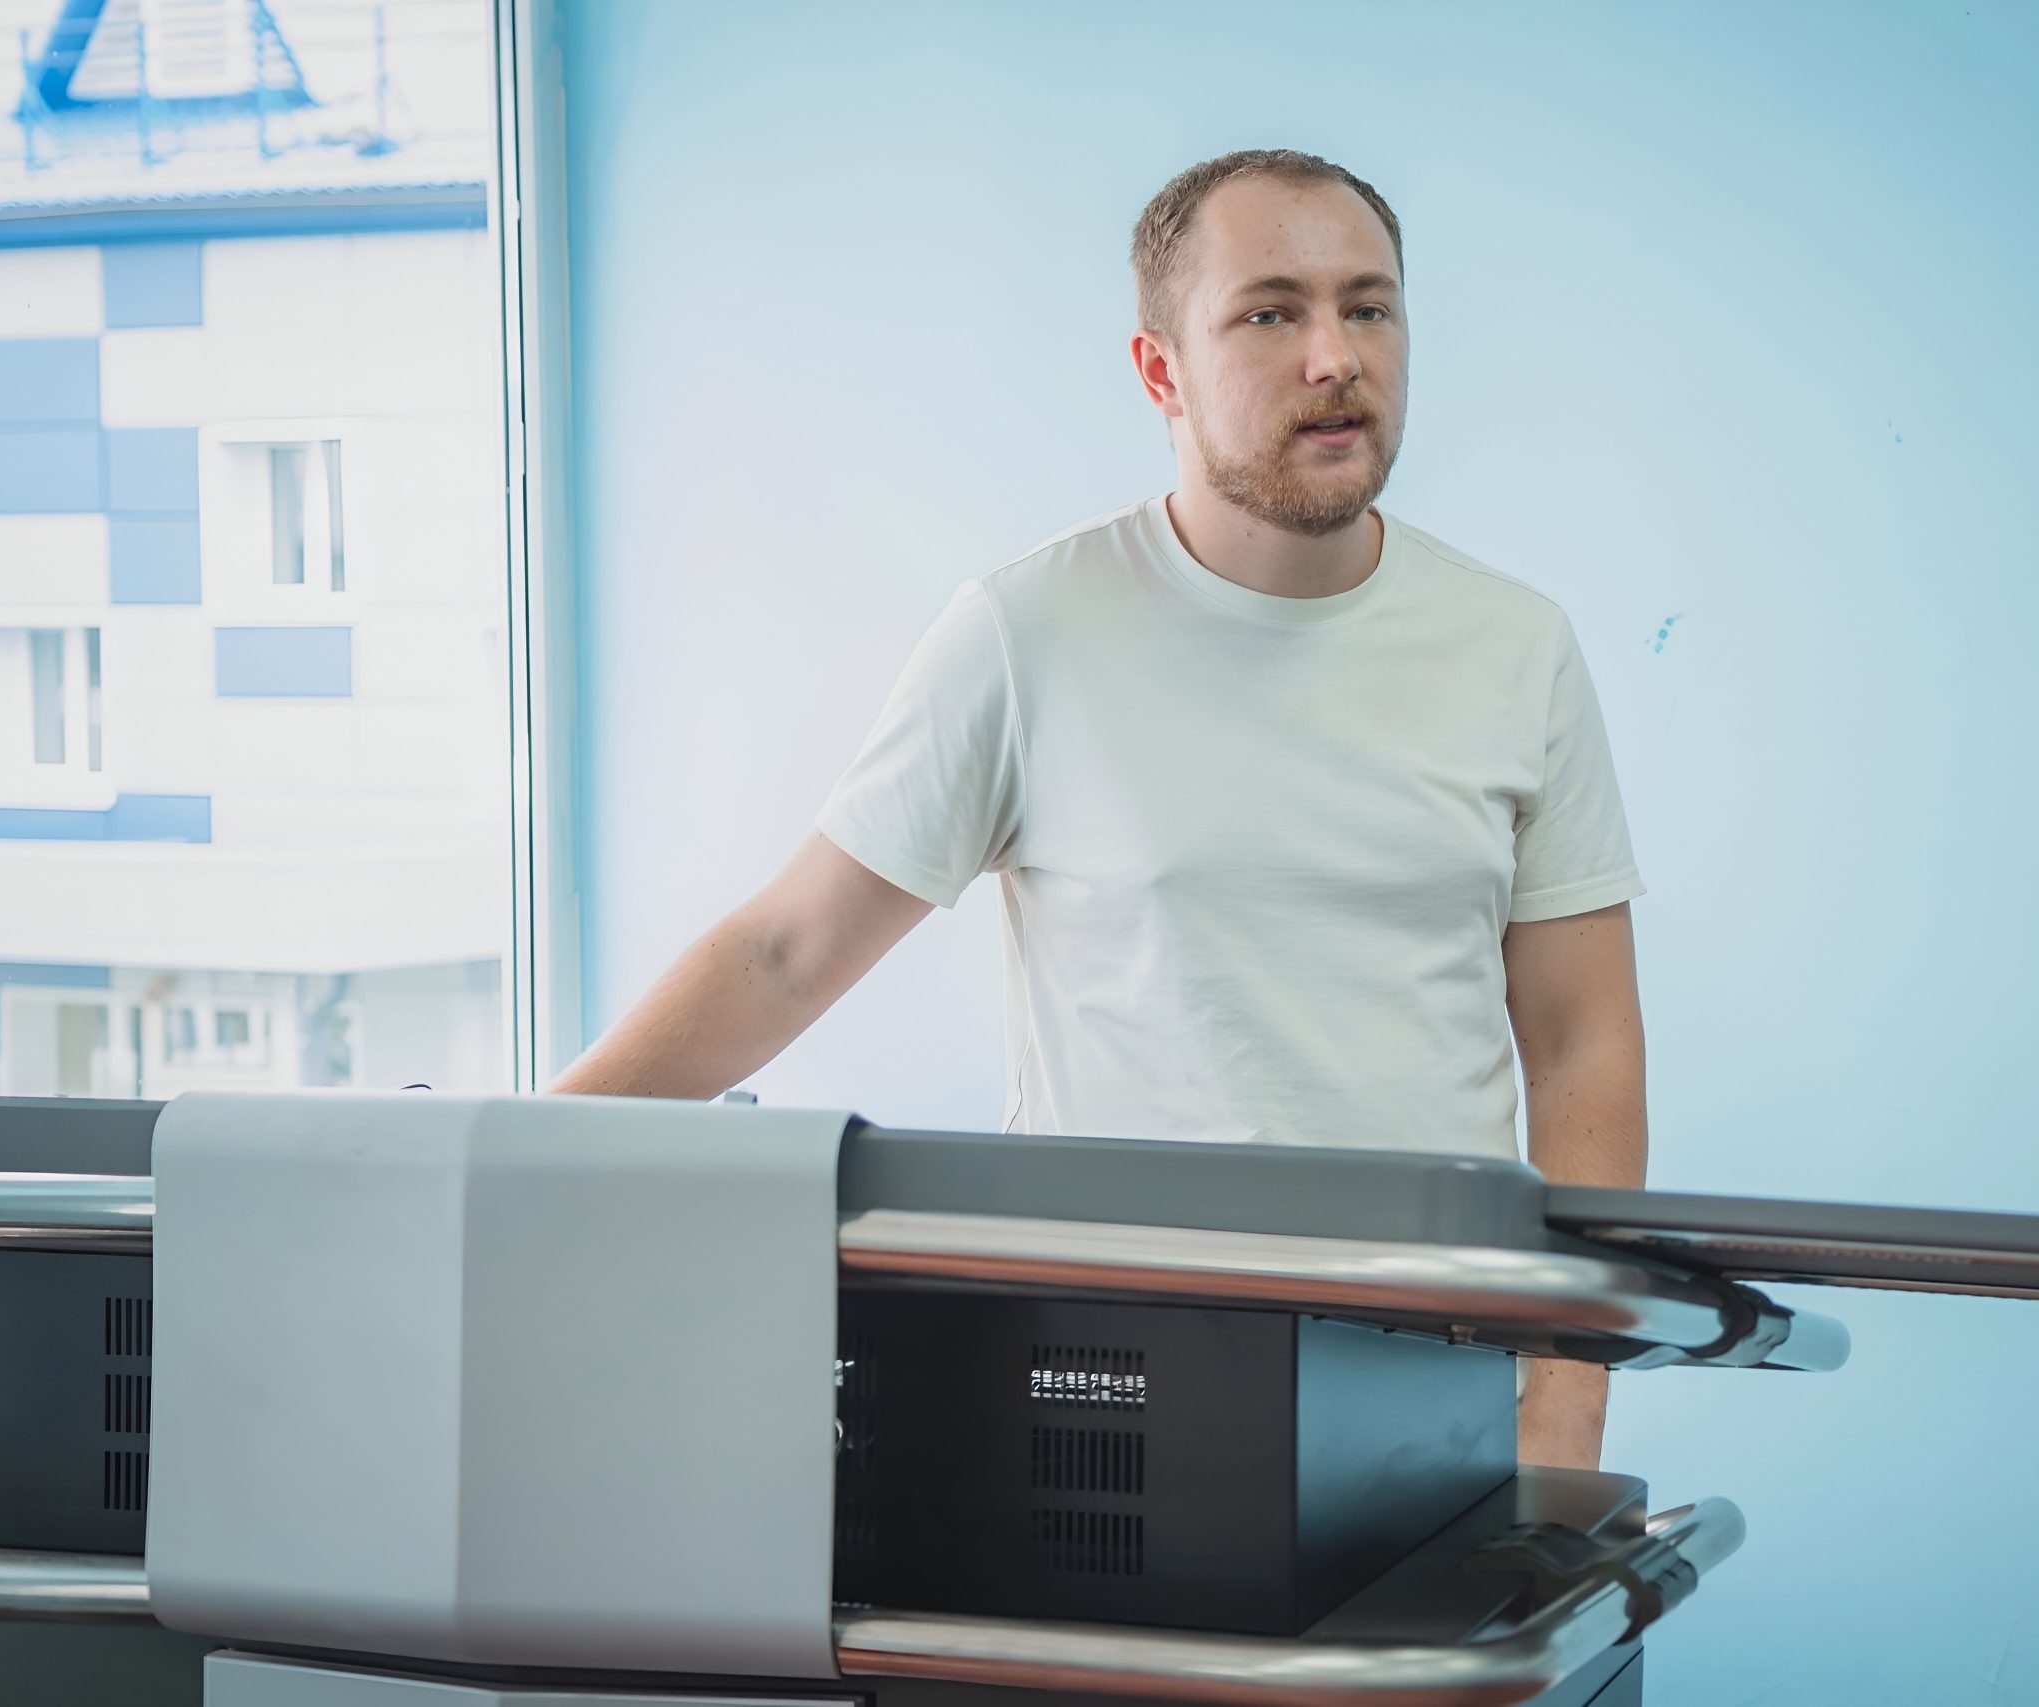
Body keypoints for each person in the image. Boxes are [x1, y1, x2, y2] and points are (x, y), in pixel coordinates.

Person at [552, 148, 1650, 1471]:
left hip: (1435, 1385)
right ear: (1159, 372)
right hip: (1112, 1391)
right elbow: (787, 950)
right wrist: (504, 1164)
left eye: (1369, 307)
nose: (1335, 358)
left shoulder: (1518, 648)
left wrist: (1565, 1412)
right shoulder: (1030, 634)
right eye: (1270, 313)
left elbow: (1582, 1046)